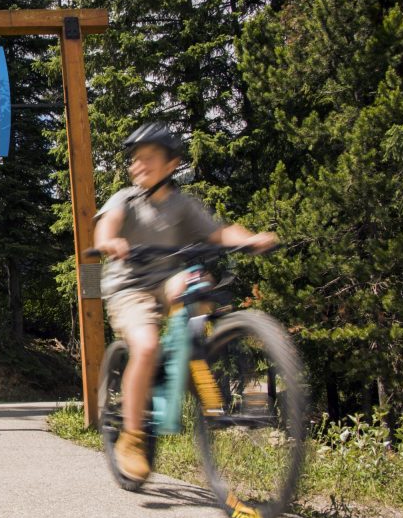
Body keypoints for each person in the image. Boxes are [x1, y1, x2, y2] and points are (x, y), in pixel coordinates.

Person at [93, 121, 276, 483]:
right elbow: (106, 226)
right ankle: (131, 438)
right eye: (134, 160)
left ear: (171, 164)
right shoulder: (125, 200)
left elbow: (219, 232)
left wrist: (250, 238)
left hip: (166, 281)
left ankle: (196, 355)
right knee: (144, 347)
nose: (137, 166)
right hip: (128, 286)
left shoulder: (183, 204)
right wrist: (110, 242)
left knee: (197, 282)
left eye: (147, 158)